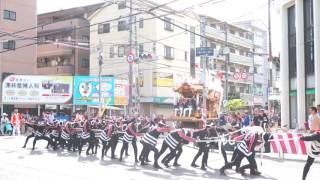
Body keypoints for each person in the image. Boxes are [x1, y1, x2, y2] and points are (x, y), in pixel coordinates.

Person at [300, 107, 320, 180]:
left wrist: (302, 138)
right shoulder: (311, 117)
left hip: (316, 137)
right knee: (308, 163)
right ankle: (303, 178)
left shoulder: (317, 117)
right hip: (314, 142)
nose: (309, 111)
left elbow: (311, 138)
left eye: (310, 110)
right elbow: (311, 135)